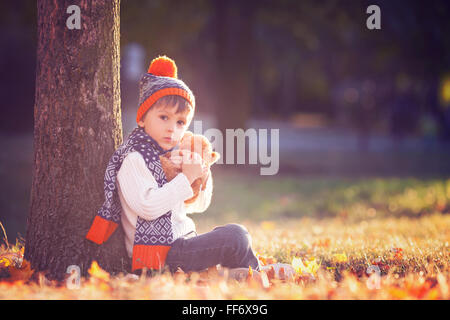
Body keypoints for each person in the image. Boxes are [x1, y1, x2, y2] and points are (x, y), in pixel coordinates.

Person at [85, 55, 262, 280]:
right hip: (160, 256)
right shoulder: (134, 159)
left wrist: (202, 177)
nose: (172, 129)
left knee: (236, 234)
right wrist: (185, 179)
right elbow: (148, 206)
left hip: (184, 244)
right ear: (142, 118)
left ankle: (241, 274)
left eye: (180, 123)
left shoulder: (169, 157)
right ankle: (248, 274)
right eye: (163, 117)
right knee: (235, 236)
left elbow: (197, 206)